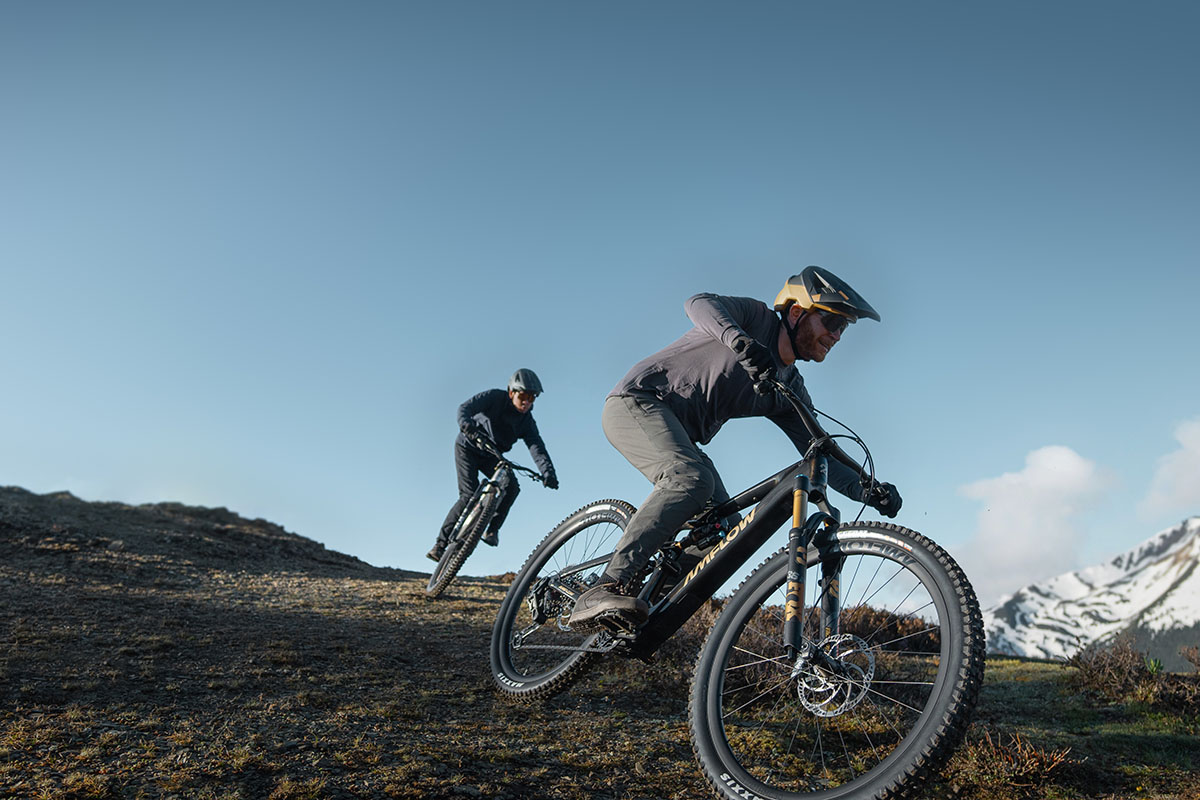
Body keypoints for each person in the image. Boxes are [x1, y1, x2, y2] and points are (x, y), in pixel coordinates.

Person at [568, 266, 902, 629]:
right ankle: (604, 586)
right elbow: (697, 302)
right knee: (691, 480)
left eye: (844, 328)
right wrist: (738, 341)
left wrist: (868, 488)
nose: (837, 336)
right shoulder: (756, 319)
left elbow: (820, 450)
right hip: (637, 401)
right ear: (796, 313)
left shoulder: (785, 385)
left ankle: (638, 606)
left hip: (683, 437)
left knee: (724, 533)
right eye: (831, 322)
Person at [427, 369, 559, 562]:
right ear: (512, 392)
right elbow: (464, 408)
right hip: (469, 446)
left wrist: (548, 473)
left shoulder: (527, 422)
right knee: (468, 494)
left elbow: (536, 447)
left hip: (492, 454)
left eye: (532, 398)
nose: (527, 402)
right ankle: (440, 545)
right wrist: (466, 424)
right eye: (523, 395)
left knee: (512, 487)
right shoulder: (495, 397)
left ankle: (491, 530)